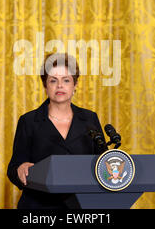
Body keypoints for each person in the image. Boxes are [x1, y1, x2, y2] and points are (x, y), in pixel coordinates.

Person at [7, 53, 105, 209]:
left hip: (82, 208)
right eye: (53, 80)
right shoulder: (29, 121)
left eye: (66, 80)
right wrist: (20, 168)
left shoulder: (89, 119)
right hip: (39, 207)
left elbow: (102, 163)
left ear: (75, 85)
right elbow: (13, 169)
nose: (60, 85)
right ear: (45, 85)